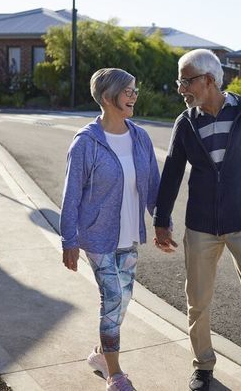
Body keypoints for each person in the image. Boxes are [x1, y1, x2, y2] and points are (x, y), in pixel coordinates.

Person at [153, 49, 241, 391]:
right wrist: (162, 219)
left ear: (208, 80)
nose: (181, 89)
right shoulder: (186, 122)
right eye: (179, 81)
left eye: (185, 81)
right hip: (201, 226)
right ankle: (203, 366)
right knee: (198, 301)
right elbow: (172, 171)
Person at [60, 68, 160, 391]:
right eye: (127, 91)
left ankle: (101, 354)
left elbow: (154, 186)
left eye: (135, 90)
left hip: (129, 233)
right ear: (107, 97)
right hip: (97, 236)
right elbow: (71, 195)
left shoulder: (140, 138)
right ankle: (115, 375)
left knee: (125, 298)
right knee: (113, 297)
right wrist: (69, 239)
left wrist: (162, 222)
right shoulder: (86, 143)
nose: (133, 96)